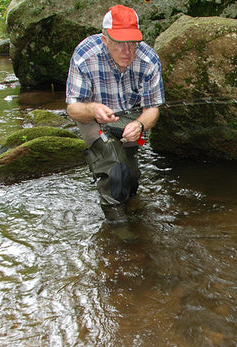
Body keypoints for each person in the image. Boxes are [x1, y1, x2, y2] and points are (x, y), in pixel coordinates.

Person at [66, 4, 165, 222]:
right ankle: (122, 234)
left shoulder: (149, 61)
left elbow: (152, 110)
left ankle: (129, 200)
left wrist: (140, 125)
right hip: (91, 115)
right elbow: (73, 109)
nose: (127, 51)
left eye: (132, 43)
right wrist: (92, 108)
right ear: (105, 40)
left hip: (131, 117)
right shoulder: (85, 56)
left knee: (129, 176)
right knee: (115, 172)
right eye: (120, 43)